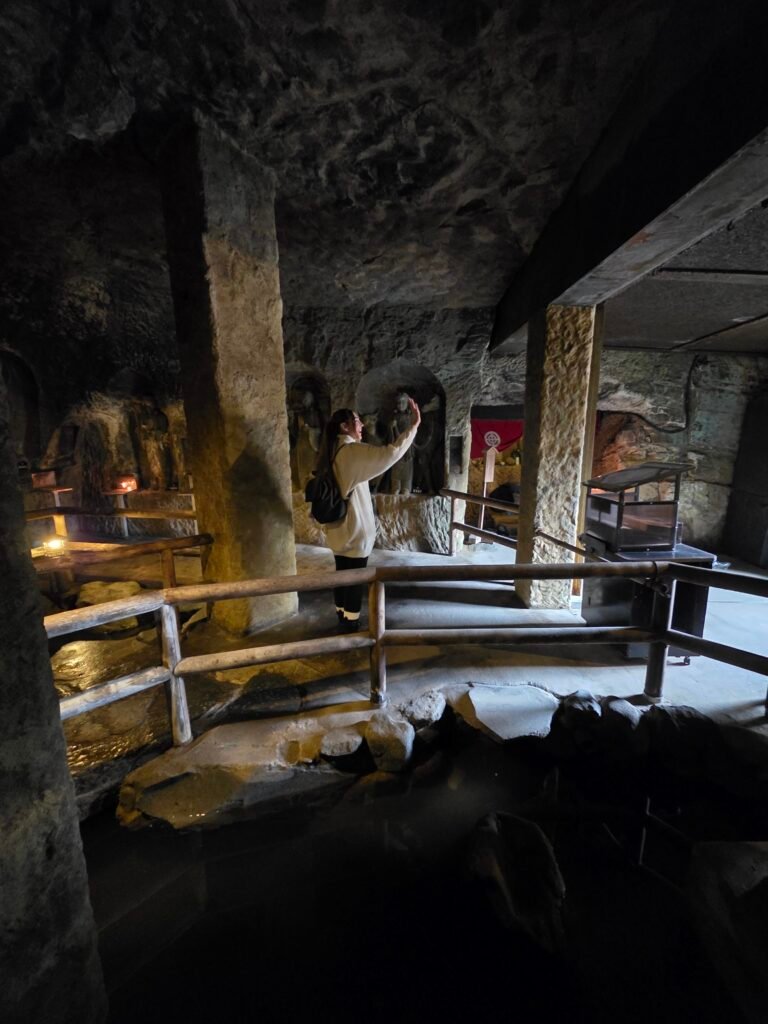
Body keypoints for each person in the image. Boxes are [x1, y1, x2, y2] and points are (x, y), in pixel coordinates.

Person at [317, 400, 420, 630]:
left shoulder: (331, 451)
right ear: (345, 426)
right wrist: (413, 427)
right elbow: (390, 453)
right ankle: (350, 626)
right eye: (356, 420)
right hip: (354, 530)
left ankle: (342, 617)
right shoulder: (351, 451)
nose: (362, 424)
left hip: (336, 528)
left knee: (341, 576)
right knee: (354, 580)